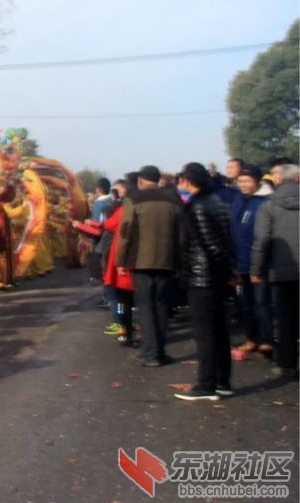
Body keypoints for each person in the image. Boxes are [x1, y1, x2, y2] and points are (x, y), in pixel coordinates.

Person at [172, 163, 236, 401]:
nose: (179, 186)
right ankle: (222, 381)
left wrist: (224, 268)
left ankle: (206, 384)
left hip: (203, 277)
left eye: (181, 181)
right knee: (219, 331)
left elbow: (210, 246)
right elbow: (225, 241)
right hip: (215, 277)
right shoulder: (216, 201)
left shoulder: (196, 207)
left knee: (205, 333)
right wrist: (229, 269)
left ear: (188, 181)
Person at [116, 165, 182, 367]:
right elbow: (181, 234)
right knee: (161, 305)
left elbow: (126, 232)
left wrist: (121, 261)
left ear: (141, 181)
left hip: (140, 260)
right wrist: (179, 262)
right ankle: (159, 351)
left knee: (145, 307)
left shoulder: (133, 200)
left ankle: (149, 353)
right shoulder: (173, 200)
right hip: (167, 260)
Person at [251, 162, 300, 381]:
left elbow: (262, 241)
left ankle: (287, 364)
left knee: (286, 318)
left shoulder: (268, 205)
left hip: (282, 271)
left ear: (278, 180)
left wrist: (256, 269)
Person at [229, 165, 272, 356]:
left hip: (260, 263)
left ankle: (267, 339)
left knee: (262, 303)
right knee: (245, 303)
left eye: (247, 181)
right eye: (240, 181)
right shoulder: (239, 199)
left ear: (257, 181)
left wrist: (258, 264)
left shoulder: (265, 202)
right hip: (240, 261)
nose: (243, 185)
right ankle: (251, 337)